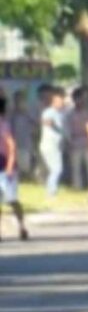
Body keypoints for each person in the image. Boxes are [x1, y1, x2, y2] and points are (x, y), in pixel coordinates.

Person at [0, 98, 29, 241]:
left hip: (5, 164)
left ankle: (21, 225)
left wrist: (10, 165)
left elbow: (12, 146)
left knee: (11, 199)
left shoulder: (3, 125)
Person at [39, 88, 66, 198]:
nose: (62, 103)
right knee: (57, 169)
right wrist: (52, 124)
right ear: (54, 101)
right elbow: (46, 121)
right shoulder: (49, 111)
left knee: (55, 168)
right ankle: (51, 191)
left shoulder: (60, 114)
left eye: (62, 101)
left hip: (57, 145)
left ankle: (51, 189)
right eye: (60, 101)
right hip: (49, 145)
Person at [11, 90, 38, 181]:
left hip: (26, 143)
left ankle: (25, 179)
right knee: (15, 165)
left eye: (21, 100)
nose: (19, 103)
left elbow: (36, 123)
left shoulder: (29, 113)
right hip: (13, 143)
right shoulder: (11, 113)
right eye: (17, 100)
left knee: (25, 165)